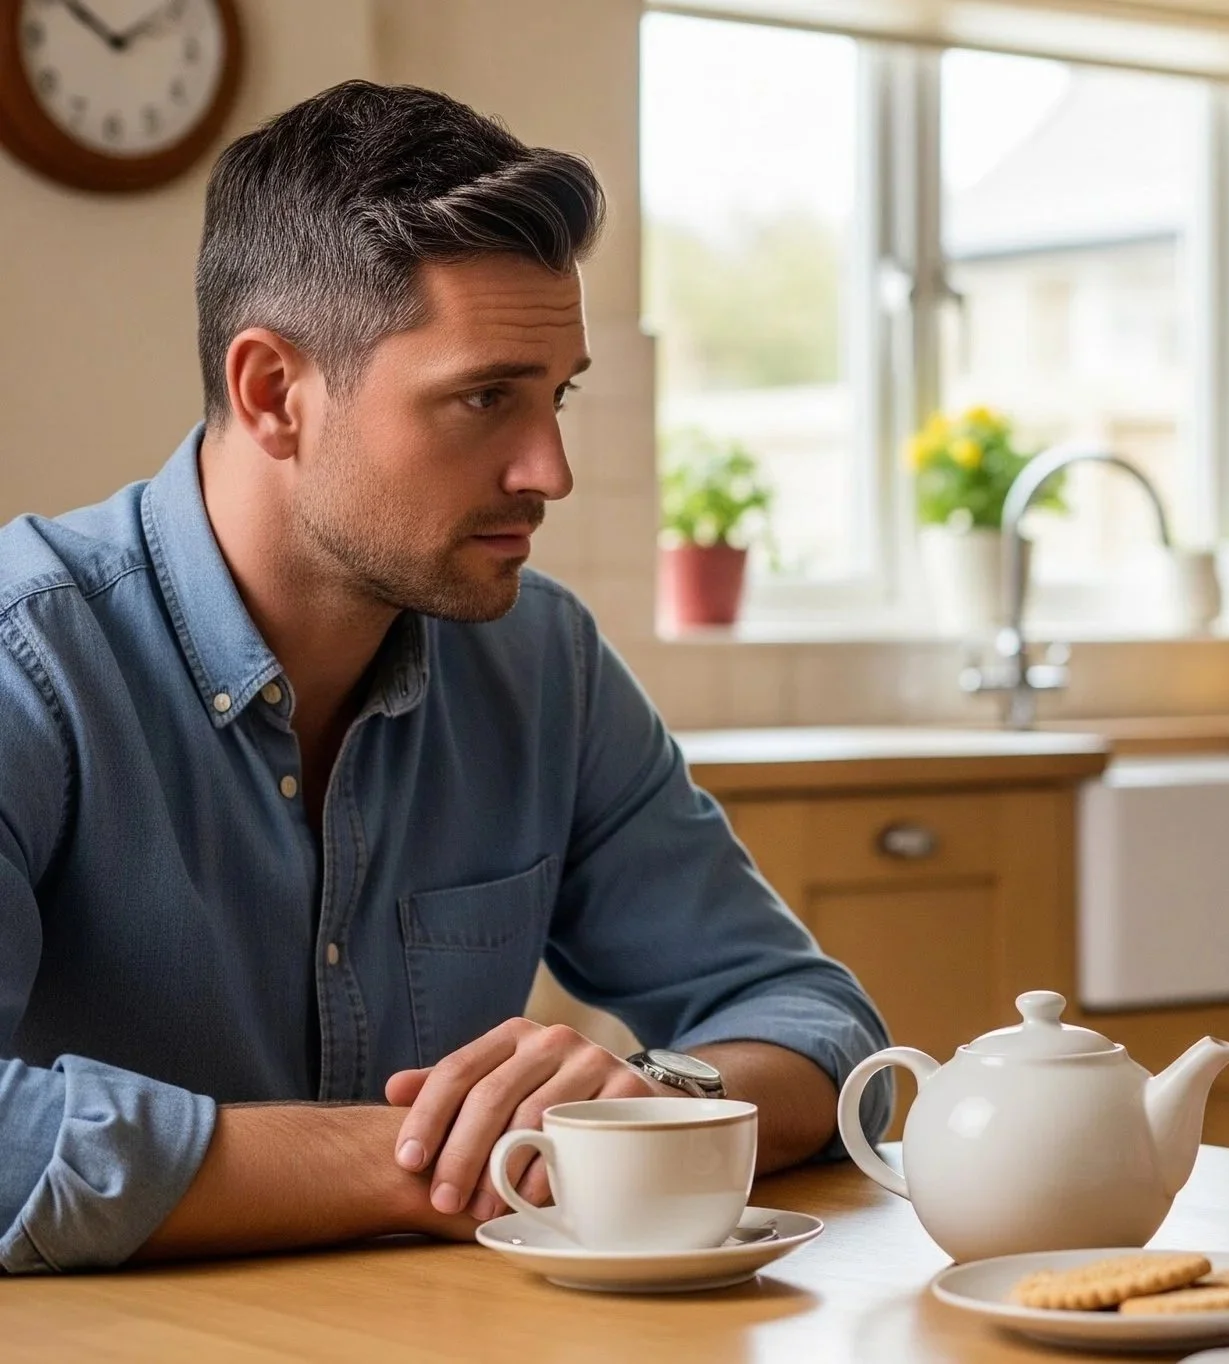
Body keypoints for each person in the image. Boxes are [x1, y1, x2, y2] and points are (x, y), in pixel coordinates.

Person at [0, 82, 891, 1274]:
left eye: (556, 395)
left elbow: (817, 1024)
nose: (551, 469)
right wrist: (432, 1155)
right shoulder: (28, 662)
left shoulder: (544, 662)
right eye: (485, 398)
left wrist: (649, 1097)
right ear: (273, 393)